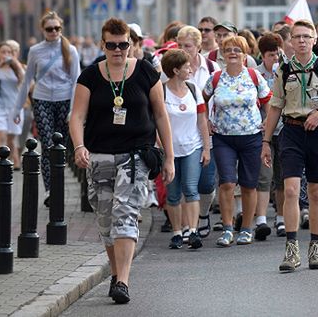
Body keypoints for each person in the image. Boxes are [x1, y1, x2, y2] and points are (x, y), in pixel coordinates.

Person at [70, 18, 175, 304]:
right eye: (112, 45)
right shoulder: (89, 76)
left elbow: (161, 114)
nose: (118, 50)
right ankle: (116, 275)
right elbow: (77, 116)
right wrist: (79, 146)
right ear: (102, 45)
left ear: (131, 44)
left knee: (125, 214)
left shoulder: (145, 72)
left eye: (123, 45)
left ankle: (124, 282)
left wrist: (169, 157)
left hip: (135, 155)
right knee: (106, 221)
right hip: (99, 155)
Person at [261, 20, 318, 272]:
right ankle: (291, 247)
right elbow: (275, 105)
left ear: (314, 40)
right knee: (290, 190)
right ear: (290, 41)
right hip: (292, 131)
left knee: (316, 192)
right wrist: (265, 141)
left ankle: (316, 246)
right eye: (297, 37)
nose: (301, 41)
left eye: (306, 37)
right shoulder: (284, 70)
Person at [203, 35, 272, 247]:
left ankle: (247, 228)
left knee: (249, 185)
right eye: (228, 49)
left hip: (251, 137)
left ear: (245, 55)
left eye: (237, 50)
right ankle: (227, 228)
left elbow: (269, 100)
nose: (233, 53)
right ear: (223, 54)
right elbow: (202, 100)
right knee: (227, 182)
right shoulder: (215, 78)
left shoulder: (254, 76)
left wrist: (267, 122)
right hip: (223, 138)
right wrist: (206, 121)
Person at [12, 11, 80, 206]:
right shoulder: (35, 51)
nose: (53, 32)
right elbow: (27, 81)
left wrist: (73, 110)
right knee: (48, 145)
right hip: (41, 99)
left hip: (65, 99)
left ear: (61, 28)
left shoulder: (71, 50)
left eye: (57, 28)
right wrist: (17, 109)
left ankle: (59, 186)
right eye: (49, 29)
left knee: (61, 147)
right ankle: (50, 190)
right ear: (43, 30)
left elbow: (76, 80)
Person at [161, 49, 210, 250]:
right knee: (172, 194)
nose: (190, 69)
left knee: (191, 188)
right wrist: (162, 149)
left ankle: (193, 231)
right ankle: (177, 232)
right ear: (175, 70)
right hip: (169, 149)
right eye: (186, 67)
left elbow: (202, 119)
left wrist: (206, 147)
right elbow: (157, 122)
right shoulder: (161, 91)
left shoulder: (193, 89)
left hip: (192, 146)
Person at [176, 26, 219, 237]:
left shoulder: (211, 67)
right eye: (180, 45)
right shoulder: (172, 68)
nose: (183, 50)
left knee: (206, 182)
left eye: (188, 46)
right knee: (186, 182)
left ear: (199, 46)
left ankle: (203, 213)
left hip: (206, 131)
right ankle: (187, 225)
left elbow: (219, 98)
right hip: (181, 133)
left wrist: (214, 121)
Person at [255, 32, 285, 239]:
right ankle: (262, 219)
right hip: (261, 130)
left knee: (282, 177)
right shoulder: (254, 74)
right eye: (270, 55)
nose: (275, 58)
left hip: (283, 129)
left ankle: (282, 218)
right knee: (264, 177)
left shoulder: (285, 71)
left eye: (277, 54)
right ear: (262, 56)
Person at [0, 41, 25, 167]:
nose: (5, 54)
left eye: (8, 52)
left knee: (10, 138)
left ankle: (15, 158)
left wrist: (16, 64)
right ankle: (2, 163)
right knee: (1, 136)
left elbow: (24, 80)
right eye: (3, 52)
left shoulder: (17, 67)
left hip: (15, 107)